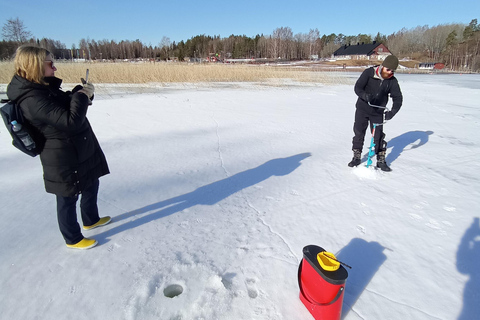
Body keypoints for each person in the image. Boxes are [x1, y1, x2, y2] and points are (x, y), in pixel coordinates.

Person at [6, 45, 111, 249]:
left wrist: (79, 93)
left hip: (77, 148)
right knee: (67, 195)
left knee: (90, 182)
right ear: (34, 65)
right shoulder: (31, 98)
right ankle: (72, 238)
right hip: (61, 154)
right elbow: (69, 121)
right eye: (50, 64)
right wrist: (81, 97)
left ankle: (91, 219)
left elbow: (63, 105)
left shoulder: (42, 87)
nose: (55, 68)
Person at [348, 55, 403, 171]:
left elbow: (398, 98)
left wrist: (392, 112)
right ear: (383, 66)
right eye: (388, 70)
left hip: (378, 112)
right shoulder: (369, 73)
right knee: (359, 132)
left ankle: (380, 160)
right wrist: (364, 96)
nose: (389, 73)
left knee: (378, 136)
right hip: (362, 109)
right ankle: (356, 156)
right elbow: (358, 87)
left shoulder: (392, 81)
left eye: (392, 71)